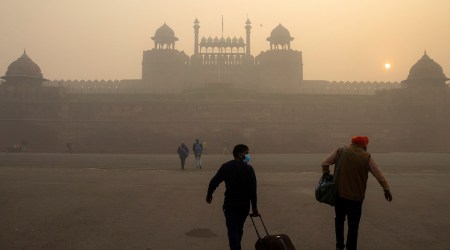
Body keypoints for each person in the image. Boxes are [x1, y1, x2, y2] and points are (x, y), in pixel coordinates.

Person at [321, 136, 393, 250]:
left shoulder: (340, 151)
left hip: (340, 195)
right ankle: (351, 248)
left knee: (339, 220)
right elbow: (378, 174)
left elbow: (325, 163)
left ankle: (339, 246)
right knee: (353, 226)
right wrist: (386, 189)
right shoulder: (366, 157)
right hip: (356, 198)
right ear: (363, 144)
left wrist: (326, 174)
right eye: (366, 145)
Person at [206, 144, 259, 250]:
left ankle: (235, 247)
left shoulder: (226, 166)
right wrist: (254, 206)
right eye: (246, 153)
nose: (248, 155)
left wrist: (209, 194)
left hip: (230, 204)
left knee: (232, 229)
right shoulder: (248, 169)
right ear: (240, 154)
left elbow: (214, 181)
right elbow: (253, 189)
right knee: (238, 228)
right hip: (244, 205)